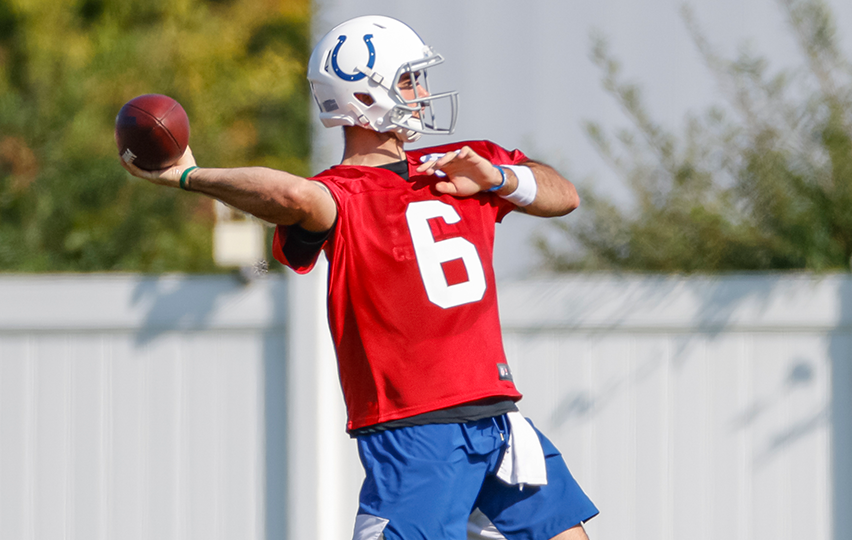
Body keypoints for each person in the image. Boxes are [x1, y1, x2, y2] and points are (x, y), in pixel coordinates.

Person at [120, 14, 597, 540]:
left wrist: (501, 178)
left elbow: (564, 195)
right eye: (410, 79)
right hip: (417, 430)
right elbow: (291, 196)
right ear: (365, 98)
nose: (424, 91)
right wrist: (189, 175)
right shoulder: (341, 194)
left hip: (497, 418)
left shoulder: (466, 164)